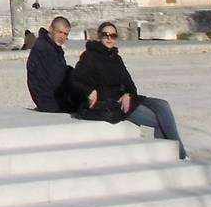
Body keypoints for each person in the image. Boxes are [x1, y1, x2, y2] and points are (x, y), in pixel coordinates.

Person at [68, 21, 189, 159]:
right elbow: (74, 79)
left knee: (163, 105)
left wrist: (127, 94)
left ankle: (176, 153)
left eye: (113, 35)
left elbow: (130, 84)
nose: (109, 38)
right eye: (105, 35)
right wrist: (89, 92)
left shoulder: (115, 57)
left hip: (125, 99)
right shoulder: (90, 56)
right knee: (159, 120)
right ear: (99, 36)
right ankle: (178, 156)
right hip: (109, 103)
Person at [26, 16, 84, 112]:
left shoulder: (51, 46)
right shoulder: (44, 49)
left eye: (65, 34)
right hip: (50, 101)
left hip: (52, 96)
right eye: (59, 32)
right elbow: (57, 79)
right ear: (50, 29)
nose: (62, 37)